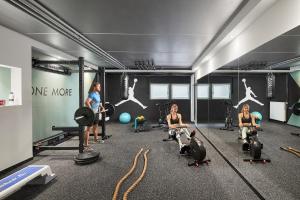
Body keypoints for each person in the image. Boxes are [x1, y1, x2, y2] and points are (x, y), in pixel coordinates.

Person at [84, 82, 105, 150]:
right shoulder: (92, 94)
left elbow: (99, 102)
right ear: (94, 87)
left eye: (100, 86)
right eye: (98, 87)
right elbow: (86, 102)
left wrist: (102, 107)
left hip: (96, 113)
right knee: (88, 129)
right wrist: (91, 110)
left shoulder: (97, 94)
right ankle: (86, 144)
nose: (100, 88)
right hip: (91, 114)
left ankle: (96, 139)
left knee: (95, 127)